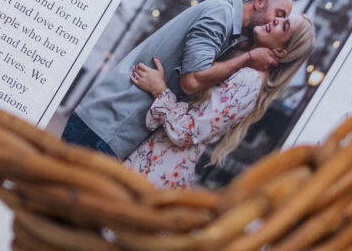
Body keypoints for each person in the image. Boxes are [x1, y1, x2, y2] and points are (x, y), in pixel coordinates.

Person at [63, 0, 295, 160]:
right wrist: (249, 58)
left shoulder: (228, 24)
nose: (276, 22)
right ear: (260, 1)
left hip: (110, 127)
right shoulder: (221, 16)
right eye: (280, 14)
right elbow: (191, 81)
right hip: (109, 128)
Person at [124, 11, 316, 189]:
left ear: (282, 52)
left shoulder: (248, 80)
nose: (276, 20)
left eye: (284, 26)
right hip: (154, 164)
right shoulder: (243, 66)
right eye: (282, 18)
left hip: (155, 172)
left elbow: (187, 131)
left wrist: (160, 91)